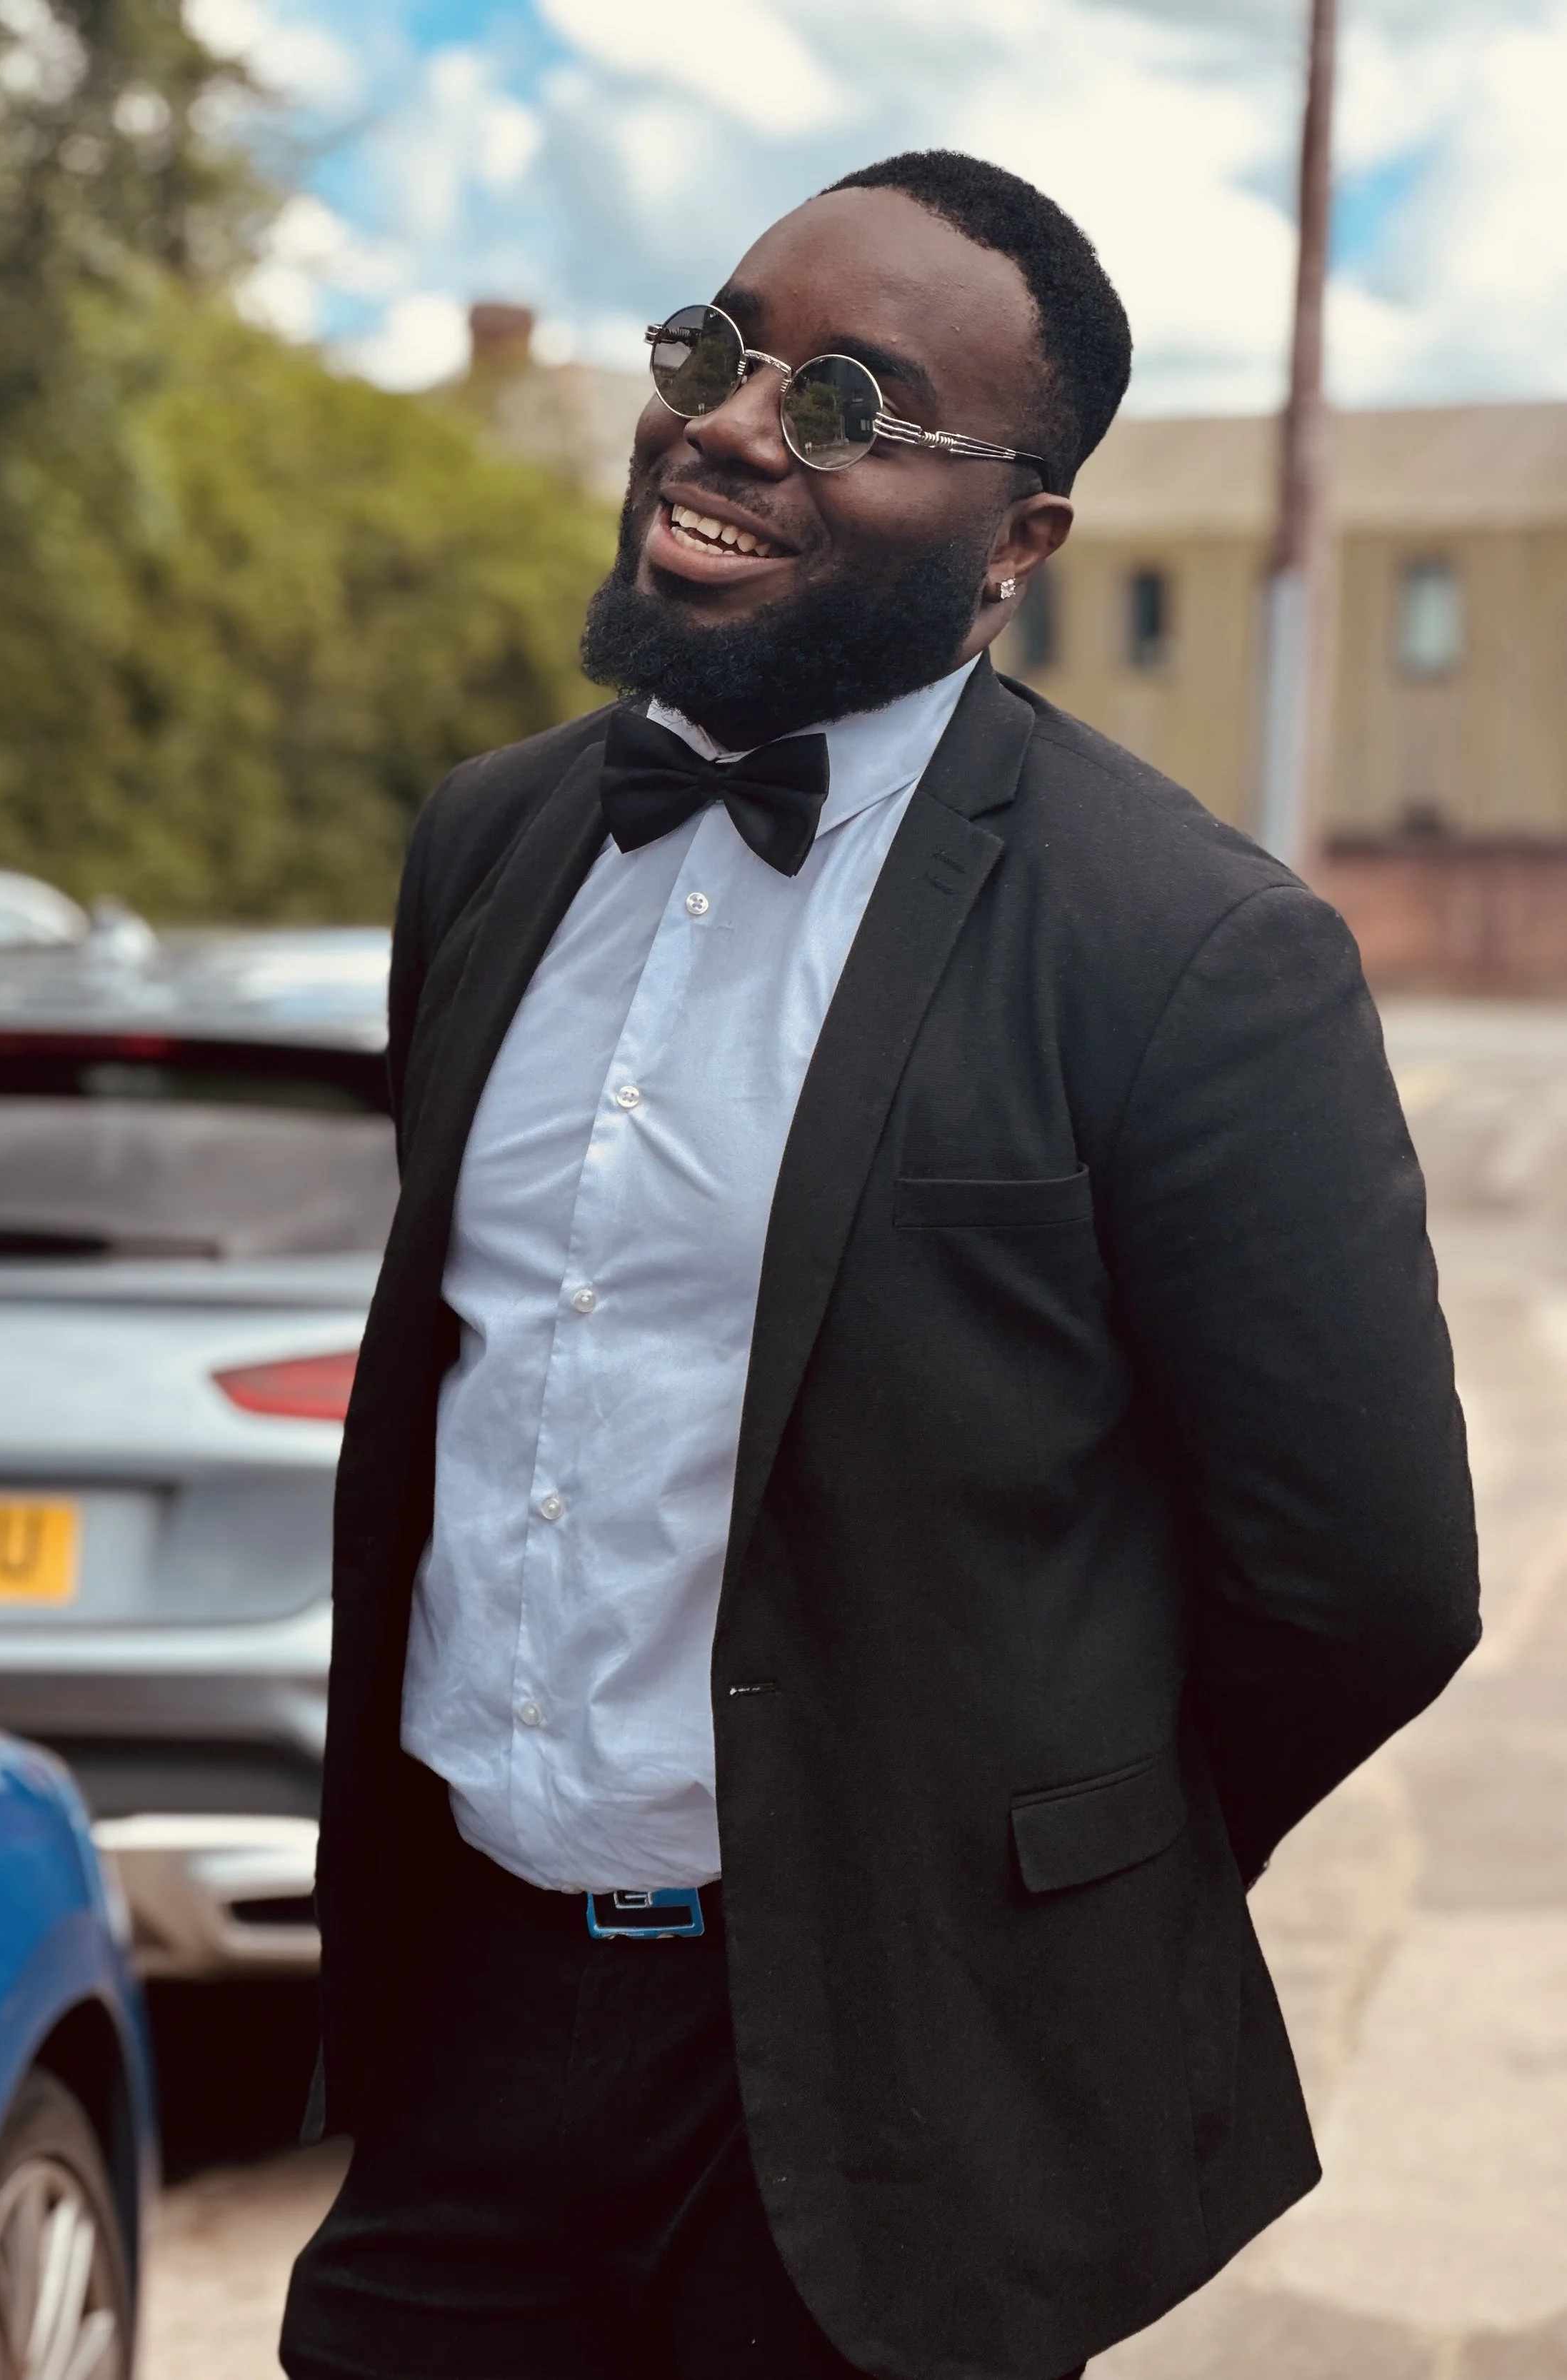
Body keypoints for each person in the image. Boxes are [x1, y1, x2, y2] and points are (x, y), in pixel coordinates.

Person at [281, 150, 1479, 2380]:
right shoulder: (491, 839)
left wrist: (1003, 1867)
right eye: (717, 351)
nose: (730, 423)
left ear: (1019, 540)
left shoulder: (1188, 950)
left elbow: (1364, 1583)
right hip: (467, 2032)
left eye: (844, 402)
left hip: (883, 2089)